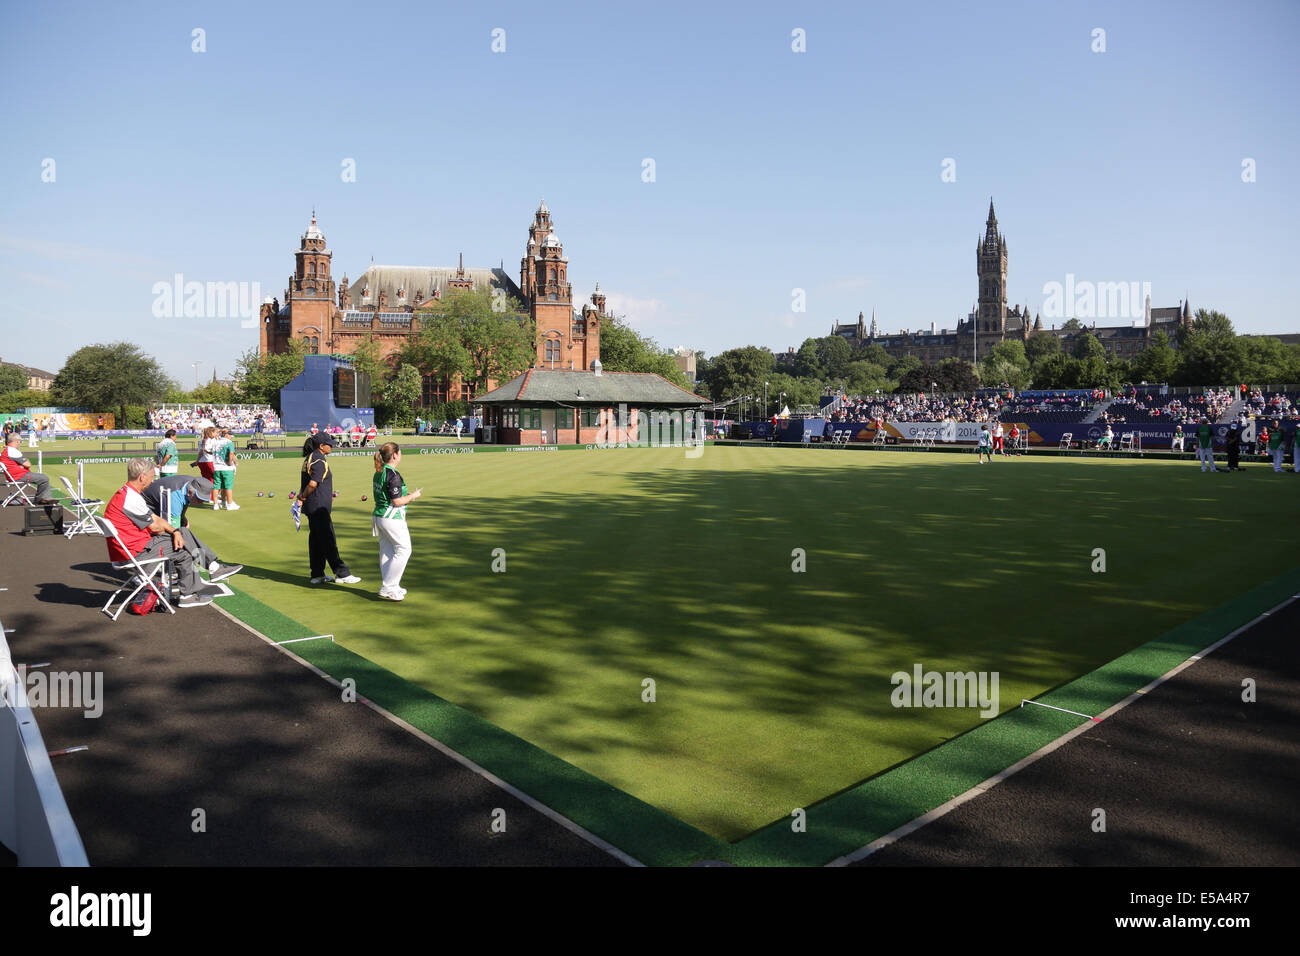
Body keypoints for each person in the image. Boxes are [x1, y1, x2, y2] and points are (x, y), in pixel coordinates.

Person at [104, 459, 241, 608]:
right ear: (142, 477)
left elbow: (155, 519)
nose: (152, 481)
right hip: (134, 552)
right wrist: (175, 531)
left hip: (126, 549)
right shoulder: (132, 499)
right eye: (151, 477)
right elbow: (155, 527)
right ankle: (190, 593)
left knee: (181, 534)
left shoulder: (126, 494)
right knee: (183, 549)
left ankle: (211, 569)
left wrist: (174, 531)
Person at [300, 434, 361, 585]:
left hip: (312, 506)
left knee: (316, 540)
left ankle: (317, 574)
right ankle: (342, 573)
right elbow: (313, 484)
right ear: (321, 446)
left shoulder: (310, 457)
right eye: (329, 444)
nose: (331, 446)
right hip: (319, 507)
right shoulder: (319, 460)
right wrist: (302, 497)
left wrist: (302, 498)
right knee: (328, 540)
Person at [372, 442, 422, 601]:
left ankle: (392, 585)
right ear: (395, 455)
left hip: (380, 516)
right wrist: (413, 496)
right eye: (400, 453)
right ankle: (388, 587)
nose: (401, 455)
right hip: (391, 517)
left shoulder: (379, 471)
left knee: (387, 552)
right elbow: (397, 501)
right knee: (404, 550)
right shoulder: (392, 474)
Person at [2, 433, 55, 503]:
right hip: (18, 476)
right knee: (44, 478)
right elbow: (28, 464)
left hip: (13, 475)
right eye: (20, 442)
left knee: (42, 477)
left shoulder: (6, 450)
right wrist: (23, 465)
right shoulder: (13, 451)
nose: (20, 444)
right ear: (17, 441)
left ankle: (43, 498)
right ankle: (41, 500)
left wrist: (21, 465)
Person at [212, 427, 239, 510]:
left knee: (217, 487)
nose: (231, 437)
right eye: (230, 435)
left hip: (216, 467)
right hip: (226, 468)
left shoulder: (216, 442)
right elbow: (231, 453)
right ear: (226, 435)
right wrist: (231, 463)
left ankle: (217, 504)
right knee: (228, 487)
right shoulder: (229, 442)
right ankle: (230, 504)